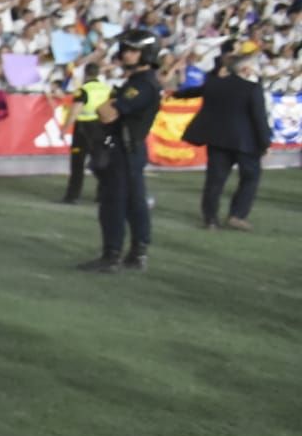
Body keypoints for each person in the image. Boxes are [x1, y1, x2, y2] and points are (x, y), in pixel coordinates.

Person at [79, 29, 164, 274]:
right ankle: (137, 252)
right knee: (135, 202)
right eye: (126, 49)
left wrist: (108, 100)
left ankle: (112, 254)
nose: (127, 54)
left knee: (113, 202)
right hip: (131, 148)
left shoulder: (141, 84)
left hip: (124, 149)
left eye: (133, 50)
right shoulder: (142, 81)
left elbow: (107, 113)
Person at [179, 44, 273, 231]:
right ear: (246, 69)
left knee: (215, 180)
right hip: (246, 142)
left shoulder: (215, 84)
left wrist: (175, 94)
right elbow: (259, 118)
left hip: (218, 140)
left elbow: (195, 91)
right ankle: (237, 215)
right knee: (250, 178)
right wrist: (265, 144)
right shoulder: (252, 89)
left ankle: (210, 218)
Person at [59, 64, 110, 205]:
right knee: (100, 162)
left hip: (83, 129)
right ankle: (103, 194)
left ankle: (72, 196)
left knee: (77, 164)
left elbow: (75, 111)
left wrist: (64, 129)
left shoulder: (83, 91)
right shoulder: (106, 89)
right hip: (101, 127)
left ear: (86, 74)